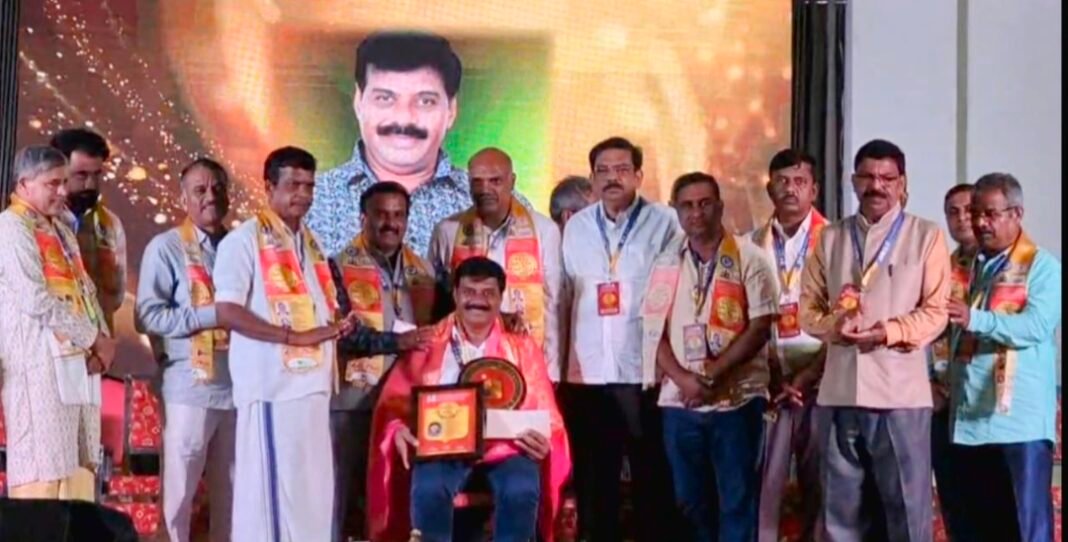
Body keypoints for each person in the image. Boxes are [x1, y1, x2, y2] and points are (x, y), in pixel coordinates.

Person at [798, 138, 950, 541]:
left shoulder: (926, 236)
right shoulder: (831, 237)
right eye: (867, 177)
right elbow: (807, 310)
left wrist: (889, 332)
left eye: (887, 178)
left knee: (907, 515)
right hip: (838, 394)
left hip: (899, 396)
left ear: (902, 183)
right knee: (839, 517)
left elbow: (937, 312)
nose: (876, 186)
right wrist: (834, 327)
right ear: (853, 181)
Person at [366, 257, 571, 542]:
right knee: (429, 489)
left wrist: (544, 440)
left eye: (488, 293)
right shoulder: (428, 342)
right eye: (469, 292)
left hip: (507, 449)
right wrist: (398, 428)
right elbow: (395, 403)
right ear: (455, 294)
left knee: (521, 489)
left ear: (501, 298)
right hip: (442, 448)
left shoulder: (521, 346)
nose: (478, 300)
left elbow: (547, 413)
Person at [213, 146, 356, 541]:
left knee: (312, 497)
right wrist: (294, 338)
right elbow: (227, 311)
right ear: (268, 187)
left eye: (309, 186)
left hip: (313, 387)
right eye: (293, 185)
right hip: (272, 389)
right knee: (273, 500)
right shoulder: (243, 241)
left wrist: (336, 328)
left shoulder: (311, 243)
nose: (303, 195)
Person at [641, 172, 778, 541]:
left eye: (704, 204)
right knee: (689, 501)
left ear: (720, 207)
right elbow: (652, 330)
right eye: (687, 205)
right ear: (675, 210)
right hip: (680, 401)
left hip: (736, 400)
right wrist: (684, 379)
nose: (696, 213)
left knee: (737, 499)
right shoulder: (665, 261)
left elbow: (760, 326)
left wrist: (712, 375)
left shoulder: (751, 257)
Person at [306, 31, 529, 257]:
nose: (404, 118)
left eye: (425, 101)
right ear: (358, 102)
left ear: (451, 110)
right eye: (385, 98)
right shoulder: (311, 204)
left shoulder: (510, 209)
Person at [559, 136, 682, 542]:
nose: (612, 178)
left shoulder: (665, 222)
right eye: (603, 171)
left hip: (642, 373)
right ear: (592, 177)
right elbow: (566, 297)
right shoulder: (576, 227)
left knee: (651, 476)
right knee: (595, 481)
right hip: (588, 375)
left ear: (639, 176)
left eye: (622, 170)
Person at [948, 174, 1061, 542]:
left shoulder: (1043, 266)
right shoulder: (970, 267)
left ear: (1017, 214)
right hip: (970, 420)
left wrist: (974, 319)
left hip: (1018, 425)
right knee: (980, 528)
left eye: (991, 214)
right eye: (976, 213)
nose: (980, 223)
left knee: (1026, 530)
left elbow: (1036, 326)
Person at [327, 180, 442, 542]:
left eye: (398, 215)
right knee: (342, 495)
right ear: (363, 218)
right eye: (381, 214)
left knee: (391, 498)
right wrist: (398, 341)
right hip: (354, 400)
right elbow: (342, 335)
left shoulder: (424, 270)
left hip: (405, 403)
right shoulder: (336, 267)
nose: (391, 223)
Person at [0, 145, 115, 500]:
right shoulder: (10, 227)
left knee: (77, 474)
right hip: (37, 367)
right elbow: (35, 298)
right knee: (43, 470)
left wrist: (102, 341)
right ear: (24, 184)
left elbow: (86, 290)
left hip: (76, 365)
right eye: (53, 184)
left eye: (64, 182)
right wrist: (93, 338)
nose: (63, 191)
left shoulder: (61, 230)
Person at [134, 158, 235, 542]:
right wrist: (212, 315)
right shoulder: (166, 247)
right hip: (190, 387)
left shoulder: (241, 247)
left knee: (233, 493)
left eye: (218, 189)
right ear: (183, 199)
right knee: (179, 496)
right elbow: (147, 316)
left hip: (240, 387)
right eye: (200, 190)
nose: (211, 197)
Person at [429, 147, 563, 380]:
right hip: (461, 365)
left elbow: (555, 303)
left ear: (513, 182)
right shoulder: (447, 231)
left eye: (495, 181)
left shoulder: (544, 230)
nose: (485, 190)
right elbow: (435, 306)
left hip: (527, 364)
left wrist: (552, 371)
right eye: (477, 182)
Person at [750, 150, 828, 542]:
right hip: (771, 384)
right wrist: (774, 374)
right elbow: (744, 316)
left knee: (823, 487)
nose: (790, 189)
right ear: (770, 189)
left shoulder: (836, 242)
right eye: (782, 181)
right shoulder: (751, 244)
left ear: (814, 189)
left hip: (823, 380)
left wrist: (808, 374)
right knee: (764, 485)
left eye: (799, 181)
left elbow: (848, 315)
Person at [927, 183, 978, 542]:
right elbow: (925, 333)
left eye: (969, 210)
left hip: (988, 403)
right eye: (953, 212)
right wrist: (929, 384)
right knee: (955, 502)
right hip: (945, 403)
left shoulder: (1009, 270)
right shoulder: (941, 271)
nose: (962, 219)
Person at [50, 127, 127, 332]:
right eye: (81, 175)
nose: (91, 185)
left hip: (98, 343)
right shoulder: (34, 222)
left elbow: (116, 296)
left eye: (96, 175)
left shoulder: (110, 224)